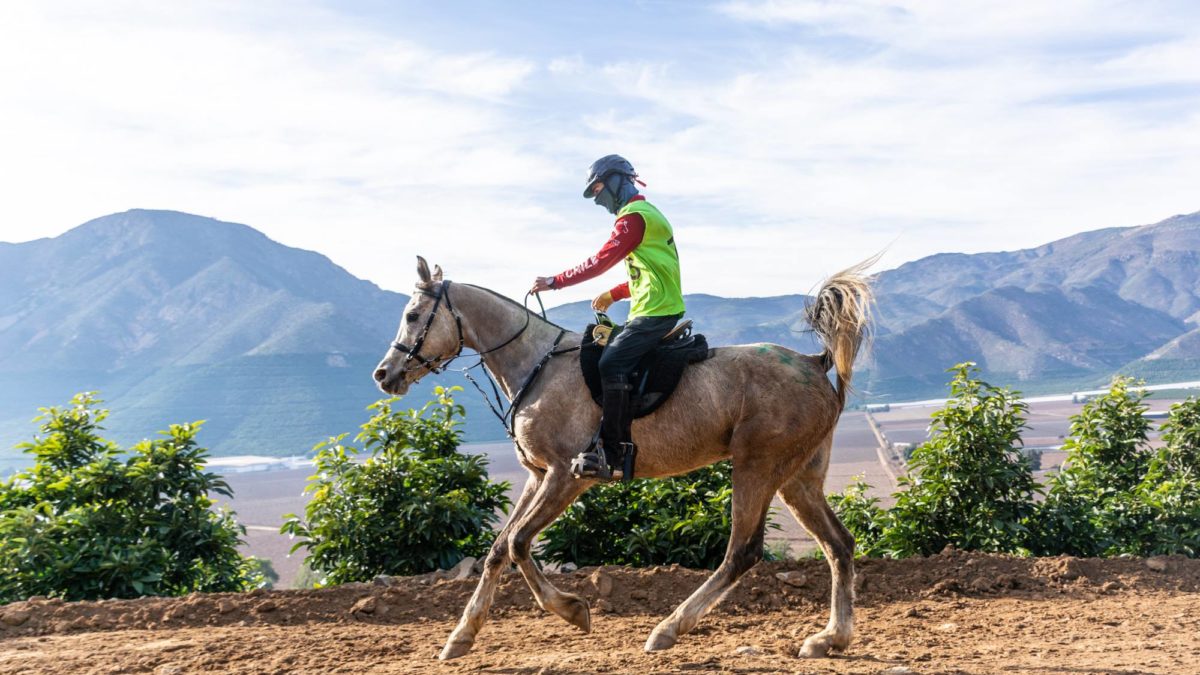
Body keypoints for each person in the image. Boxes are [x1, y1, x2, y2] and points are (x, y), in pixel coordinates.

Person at [531, 154, 685, 480]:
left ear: (616, 181)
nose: (598, 198)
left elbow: (600, 261)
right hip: (653, 306)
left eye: (599, 188)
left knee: (610, 364)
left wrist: (554, 282)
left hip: (656, 312)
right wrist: (614, 294)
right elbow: (650, 274)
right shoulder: (648, 215)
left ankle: (613, 453)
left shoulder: (633, 218)